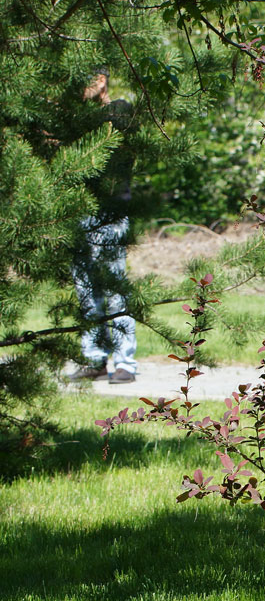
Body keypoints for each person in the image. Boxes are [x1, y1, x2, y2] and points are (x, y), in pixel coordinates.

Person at [64, 70, 138, 384]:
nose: (79, 91)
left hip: (110, 212)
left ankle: (126, 364)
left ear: (101, 81)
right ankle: (95, 358)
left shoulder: (120, 110)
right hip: (80, 210)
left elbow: (116, 152)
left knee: (113, 288)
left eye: (85, 82)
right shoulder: (74, 121)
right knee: (86, 289)